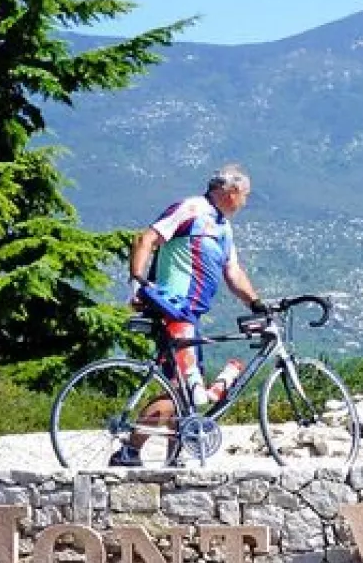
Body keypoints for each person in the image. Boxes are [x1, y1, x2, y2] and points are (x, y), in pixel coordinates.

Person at [112, 163, 270, 467]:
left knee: (181, 390)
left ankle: (173, 456)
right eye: (245, 196)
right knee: (182, 389)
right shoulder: (191, 209)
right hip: (174, 309)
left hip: (190, 315)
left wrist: (255, 303)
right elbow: (145, 240)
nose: (245, 203)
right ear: (232, 191)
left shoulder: (223, 228)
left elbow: (232, 271)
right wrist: (136, 284)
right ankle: (130, 450)